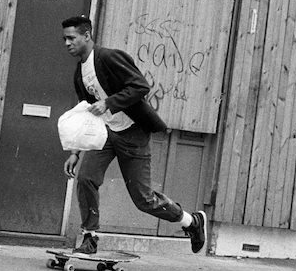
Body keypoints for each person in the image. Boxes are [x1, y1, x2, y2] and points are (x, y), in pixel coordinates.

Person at [60, 14, 207, 255]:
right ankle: (90, 236)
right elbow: (86, 113)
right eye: (64, 39)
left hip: (132, 134)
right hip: (106, 134)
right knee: (86, 178)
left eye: (71, 38)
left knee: (143, 199)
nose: (67, 43)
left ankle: (191, 222)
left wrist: (108, 103)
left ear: (87, 36)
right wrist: (75, 151)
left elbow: (140, 86)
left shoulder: (108, 57)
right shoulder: (79, 73)